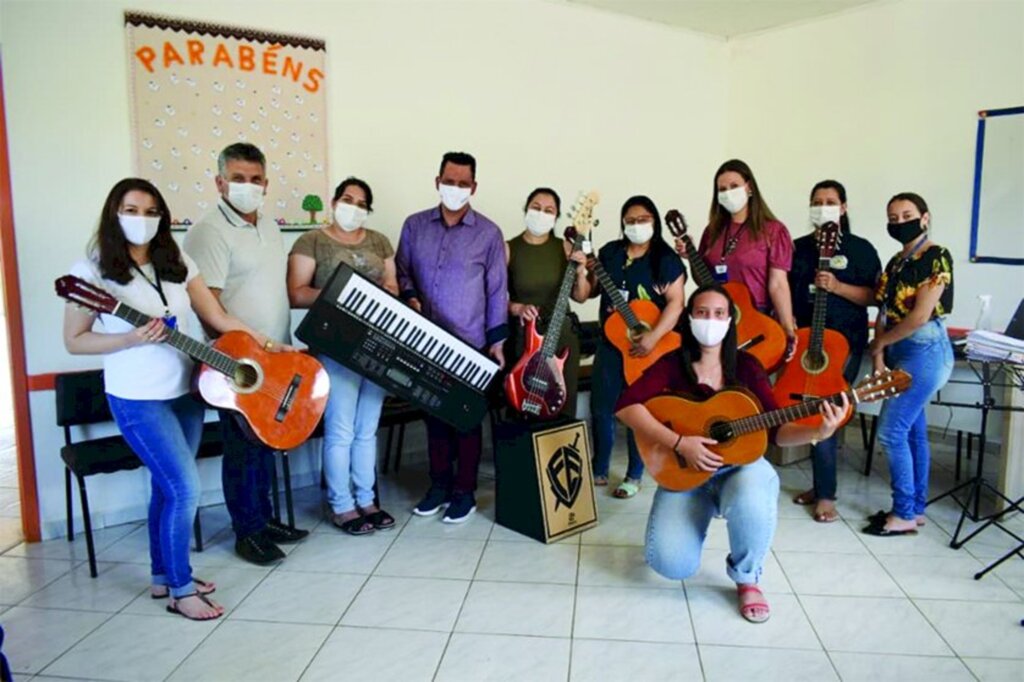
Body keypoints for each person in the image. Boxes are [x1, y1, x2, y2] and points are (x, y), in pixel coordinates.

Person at [63, 178, 283, 619]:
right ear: (113, 213)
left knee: (166, 488)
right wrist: (129, 339)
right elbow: (75, 341)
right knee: (184, 488)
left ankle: (163, 575)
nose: (141, 220)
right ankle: (183, 590)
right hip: (138, 399)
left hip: (186, 391)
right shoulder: (89, 272)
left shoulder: (177, 258)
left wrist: (265, 344)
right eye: (131, 210)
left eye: (150, 211)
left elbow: (215, 315)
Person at [616, 284, 848, 622]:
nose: (710, 320)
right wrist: (679, 443)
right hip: (685, 475)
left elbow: (777, 433)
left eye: (719, 313)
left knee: (758, 484)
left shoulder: (747, 367)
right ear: (689, 318)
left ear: (730, 320)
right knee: (670, 563)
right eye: (702, 313)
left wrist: (819, 431)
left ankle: (747, 578)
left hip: (738, 469)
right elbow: (626, 406)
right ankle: (700, 510)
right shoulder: (672, 364)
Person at [183, 143, 309, 565]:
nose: (247, 187)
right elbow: (208, 307)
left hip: (274, 356)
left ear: (266, 184)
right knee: (241, 447)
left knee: (265, 441)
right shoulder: (209, 232)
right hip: (236, 363)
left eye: (255, 180)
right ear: (219, 182)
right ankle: (247, 531)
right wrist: (234, 355)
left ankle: (266, 518)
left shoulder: (270, 226)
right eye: (237, 179)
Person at [396, 151, 508, 523]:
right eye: (449, 181)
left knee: (466, 421)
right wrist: (410, 296)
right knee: (434, 419)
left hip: (470, 343)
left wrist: (496, 342)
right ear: (437, 182)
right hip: (427, 343)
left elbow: (497, 291)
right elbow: (402, 271)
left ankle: (465, 493)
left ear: (473, 187)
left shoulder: (489, 234)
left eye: (463, 184)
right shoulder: (414, 226)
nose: (455, 189)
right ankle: (438, 486)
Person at [287, 177, 397, 535]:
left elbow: (392, 287)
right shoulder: (312, 241)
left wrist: (383, 293)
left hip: (378, 346)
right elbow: (297, 293)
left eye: (362, 203)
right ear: (334, 202)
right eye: (348, 199)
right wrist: (346, 294)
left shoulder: (379, 241)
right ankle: (342, 505)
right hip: (335, 345)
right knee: (341, 429)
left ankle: (367, 500)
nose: (354, 207)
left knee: (367, 429)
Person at [788, 180, 881, 523]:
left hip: (844, 345)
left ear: (843, 207)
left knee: (825, 410)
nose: (823, 207)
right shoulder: (796, 248)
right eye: (816, 201)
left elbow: (875, 297)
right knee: (806, 411)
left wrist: (838, 286)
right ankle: (820, 484)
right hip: (803, 345)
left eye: (830, 201)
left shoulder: (861, 249)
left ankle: (826, 494)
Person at [864, 192, 954, 536]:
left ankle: (902, 513)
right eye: (893, 217)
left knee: (891, 432)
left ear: (925, 218)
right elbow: (884, 311)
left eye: (907, 215)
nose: (900, 222)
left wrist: (881, 343)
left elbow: (918, 317)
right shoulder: (895, 262)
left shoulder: (937, 257)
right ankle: (914, 509)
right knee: (913, 431)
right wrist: (878, 356)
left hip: (925, 352)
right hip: (897, 352)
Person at [589, 196, 685, 499]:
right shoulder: (610, 253)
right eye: (629, 220)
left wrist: (653, 337)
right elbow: (586, 292)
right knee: (601, 409)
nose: (636, 225)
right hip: (611, 344)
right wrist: (580, 269)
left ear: (654, 222)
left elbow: (676, 303)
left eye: (642, 219)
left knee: (639, 412)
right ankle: (599, 466)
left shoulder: (666, 260)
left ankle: (634, 473)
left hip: (649, 348)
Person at [684, 159, 797, 360]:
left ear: (749, 187)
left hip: (755, 317)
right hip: (717, 320)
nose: (728, 193)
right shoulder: (712, 231)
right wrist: (690, 256)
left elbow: (778, 284)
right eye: (722, 189)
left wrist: (787, 326)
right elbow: (704, 280)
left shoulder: (773, 230)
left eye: (734, 186)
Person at [505, 187, 592, 418]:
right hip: (526, 338)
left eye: (548, 210)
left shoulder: (564, 247)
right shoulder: (508, 249)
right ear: (526, 209)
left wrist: (581, 272)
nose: (541, 213)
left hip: (562, 336)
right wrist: (517, 308)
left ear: (556, 217)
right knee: (524, 405)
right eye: (536, 207)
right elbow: (492, 297)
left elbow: (581, 297)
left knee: (561, 403)